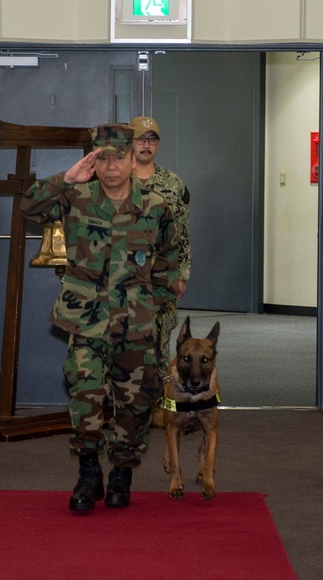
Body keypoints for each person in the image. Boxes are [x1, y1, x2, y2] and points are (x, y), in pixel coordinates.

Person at [21, 123, 180, 512]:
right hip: (87, 322)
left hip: (136, 324)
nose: (111, 167)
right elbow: (29, 207)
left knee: (136, 404)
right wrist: (66, 177)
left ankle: (122, 473)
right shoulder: (76, 198)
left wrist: (151, 306)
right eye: (103, 158)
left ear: (132, 159)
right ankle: (88, 473)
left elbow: (168, 266)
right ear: (94, 160)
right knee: (85, 395)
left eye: (119, 158)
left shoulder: (155, 206)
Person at [128, 115, 190, 428]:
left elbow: (182, 233)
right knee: (127, 345)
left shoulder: (174, 185)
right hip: (123, 281)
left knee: (161, 345)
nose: (146, 145)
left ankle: (162, 408)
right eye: (140, 139)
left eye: (152, 139)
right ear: (130, 143)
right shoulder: (115, 180)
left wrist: (182, 273)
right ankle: (129, 409)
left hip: (161, 279)